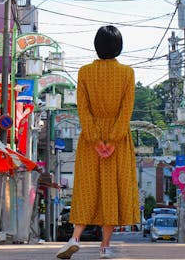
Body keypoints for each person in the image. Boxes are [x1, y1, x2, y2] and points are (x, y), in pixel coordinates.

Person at [56, 25, 139, 260]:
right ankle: (105, 247)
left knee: (87, 188)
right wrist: (112, 140)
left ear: (96, 45)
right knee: (111, 190)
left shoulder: (84, 72)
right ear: (118, 47)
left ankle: (74, 238)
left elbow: (82, 109)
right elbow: (127, 110)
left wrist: (94, 139)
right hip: (119, 140)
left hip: (89, 140)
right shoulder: (127, 73)